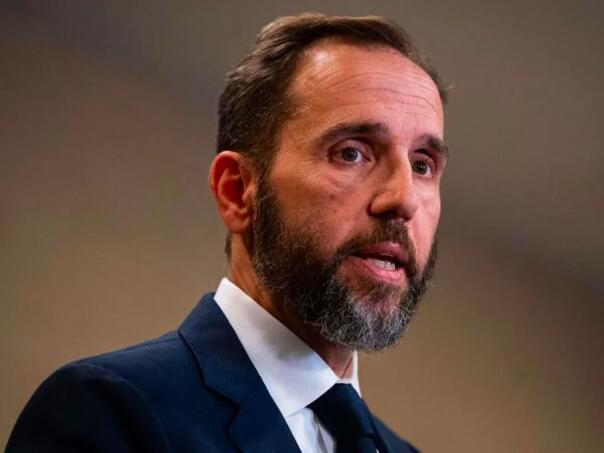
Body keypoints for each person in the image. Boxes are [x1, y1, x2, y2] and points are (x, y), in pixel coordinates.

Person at [7, 12, 449, 453]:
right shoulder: (110, 413)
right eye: (351, 153)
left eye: (422, 165)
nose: (404, 199)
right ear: (238, 192)